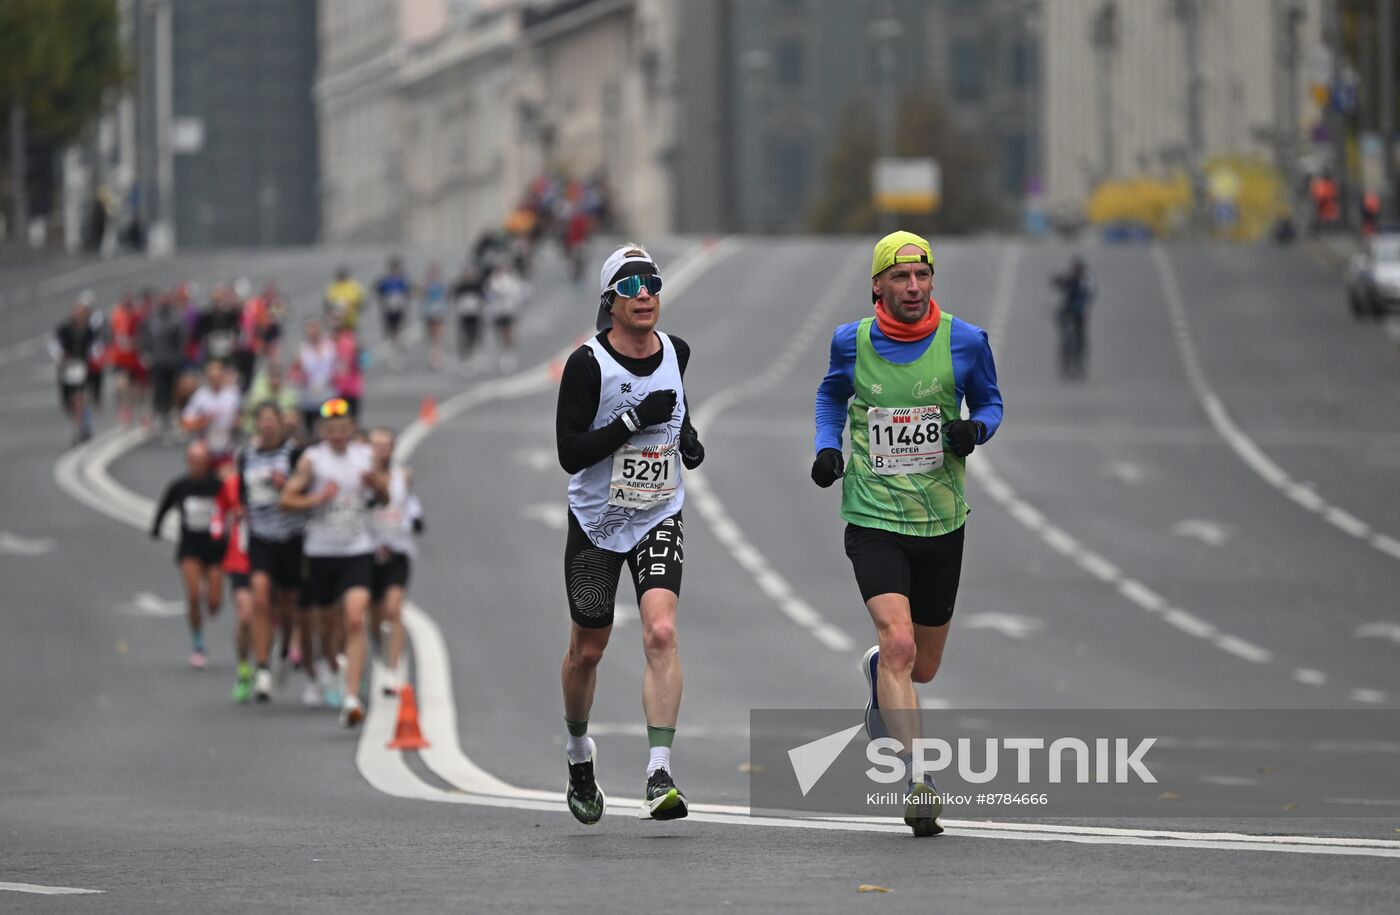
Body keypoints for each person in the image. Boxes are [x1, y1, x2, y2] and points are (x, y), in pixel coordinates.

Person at [811, 230, 1003, 837]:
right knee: (898, 643)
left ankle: (879, 674)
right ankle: (920, 780)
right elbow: (830, 396)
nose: (914, 288)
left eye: (922, 276)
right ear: (878, 286)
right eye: (900, 277)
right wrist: (825, 448)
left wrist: (976, 431)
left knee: (922, 666)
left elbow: (992, 403)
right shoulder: (852, 341)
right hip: (872, 516)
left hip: (941, 521)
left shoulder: (966, 341)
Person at [555, 244, 706, 825]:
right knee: (588, 649)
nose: (645, 293)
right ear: (609, 300)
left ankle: (659, 771)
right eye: (630, 284)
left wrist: (688, 440)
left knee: (661, 632)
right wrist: (631, 421)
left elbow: (679, 410)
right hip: (597, 521)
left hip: (658, 512)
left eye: (652, 282)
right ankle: (577, 753)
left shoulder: (676, 351)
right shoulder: (587, 365)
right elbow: (570, 453)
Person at [279, 397, 387, 727]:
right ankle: (330, 666)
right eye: (331, 430)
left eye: (343, 429)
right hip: (321, 552)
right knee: (326, 626)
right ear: (322, 431)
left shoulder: (364, 456)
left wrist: (376, 484)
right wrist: (317, 498)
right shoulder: (313, 460)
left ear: (351, 428)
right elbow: (287, 499)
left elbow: (384, 496)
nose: (337, 435)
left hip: (357, 550)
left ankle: (352, 697)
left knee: (355, 619)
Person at [239, 402, 305, 703]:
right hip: (260, 535)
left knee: (288, 603)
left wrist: (287, 486)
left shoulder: (293, 454)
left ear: (280, 424)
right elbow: (242, 493)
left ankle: (285, 646)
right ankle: (262, 667)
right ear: (256, 425)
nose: (267, 426)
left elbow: (306, 489)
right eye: (262, 420)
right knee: (261, 596)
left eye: (272, 420)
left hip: (290, 536)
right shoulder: (247, 455)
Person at [152, 442, 227, 669]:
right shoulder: (180, 486)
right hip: (190, 548)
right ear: (187, 462)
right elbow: (164, 506)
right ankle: (198, 643)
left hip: (215, 549)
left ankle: (211, 603)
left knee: (214, 602)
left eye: (201, 461)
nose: (197, 465)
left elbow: (233, 505)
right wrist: (156, 527)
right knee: (194, 595)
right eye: (193, 461)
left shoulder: (218, 485)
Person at [367, 427, 422, 696]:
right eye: (376, 445)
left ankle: (393, 671)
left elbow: (410, 507)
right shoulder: (361, 478)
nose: (381, 450)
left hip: (398, 552)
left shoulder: (402, 477)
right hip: (368, 553)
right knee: (374, 616)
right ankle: (378, 645)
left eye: (386, 445)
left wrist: (414, 519)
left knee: (393, 609)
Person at [215, 469, 255, 701]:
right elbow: (219, 510)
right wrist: (217, 530)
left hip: (270, 559)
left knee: (269, 617)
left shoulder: (280, 480)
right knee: (246, 615)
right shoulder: (232, 484)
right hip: (239, 559)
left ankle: (265, 666)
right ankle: (243, 669)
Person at [51, 293, 100, 446]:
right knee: (67, 402)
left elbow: (95, 347)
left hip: (81, 366)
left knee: (79, 398)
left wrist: (94, 360)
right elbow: (55, 345)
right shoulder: (64, 328)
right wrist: (59, 357)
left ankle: (79, 429)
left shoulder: (89, 330)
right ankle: (83, 423)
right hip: (67, 367)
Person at [140, 293, 187, 437]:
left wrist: (179, 354)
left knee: (174, 389)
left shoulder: (176, 318)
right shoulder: (152, 318)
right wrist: (146, 352)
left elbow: (182, 337)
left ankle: (173, 415)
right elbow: (145, 336)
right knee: (159, 389)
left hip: (173, 360)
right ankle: (161, 414)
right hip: (158, 360)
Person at [181, 358, 242, 468]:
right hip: (205, 449)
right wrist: (201, 421)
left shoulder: (232, 394)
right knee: (195, 454)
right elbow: (185, 422)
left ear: (223, 375)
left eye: (218, 376)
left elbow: (241, 420)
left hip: (226, 447)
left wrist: (236, 422)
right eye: (212, 377)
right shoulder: (200, 396)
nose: (215, 380)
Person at [1050, 256, 1094, 380]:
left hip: (1079, 312)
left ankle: (1080, 359)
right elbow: (1057, 283)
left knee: (1080, 335)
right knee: (1064, 335)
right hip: (1068, 310)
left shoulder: (1085, 279)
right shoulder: (1070, 278)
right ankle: (1066, 363)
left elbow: (1091, 294)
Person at [374, 257, 412, 366]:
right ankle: (392, 352)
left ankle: (400, 351)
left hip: (399, 308)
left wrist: (403, 298)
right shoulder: (386, 280)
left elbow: (407, 291)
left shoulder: (402, 279)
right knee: (390, 331)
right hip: (389, 308)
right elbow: (379, 290)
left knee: (399, 330)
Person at [451, 263, 487, 368]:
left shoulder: (477, 285)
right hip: (464, 315)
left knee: (474, 336)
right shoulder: (460, 286)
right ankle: (465, 357)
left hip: (475, 315)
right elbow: (454, 297)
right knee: (464, 336)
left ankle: (471, 354)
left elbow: (484, 298)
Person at [419, 263, 449, 371]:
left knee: (438, 335)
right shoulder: (427, 283)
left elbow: (445, 295)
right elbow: (421, 294)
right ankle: (433, 354)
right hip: (429, 311)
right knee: (430, 335)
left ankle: (437, 357)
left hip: (439, 311)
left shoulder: (441, 283)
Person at [324, 266, 366, 332]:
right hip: (337, 321)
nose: (342, 278)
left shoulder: (353, 286)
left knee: (352, 338)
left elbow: (361, 301)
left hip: (351, 320)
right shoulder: (333, 287)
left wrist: (353, 305)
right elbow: (327, 303)